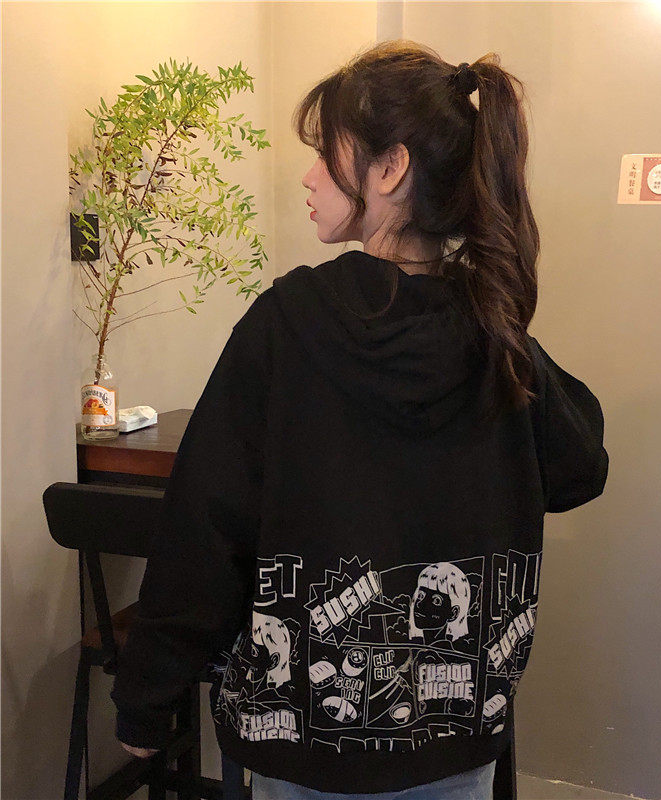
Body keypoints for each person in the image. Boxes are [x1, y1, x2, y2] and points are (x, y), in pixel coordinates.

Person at [111, 40, 610, 799]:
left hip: (304, 740)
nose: (309, 177)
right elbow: (580, 467)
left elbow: (204, 530)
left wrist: (147, 697)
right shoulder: (491, 332)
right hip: (455, 736)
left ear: (390, 168)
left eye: (325, 153)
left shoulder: (288, 323)